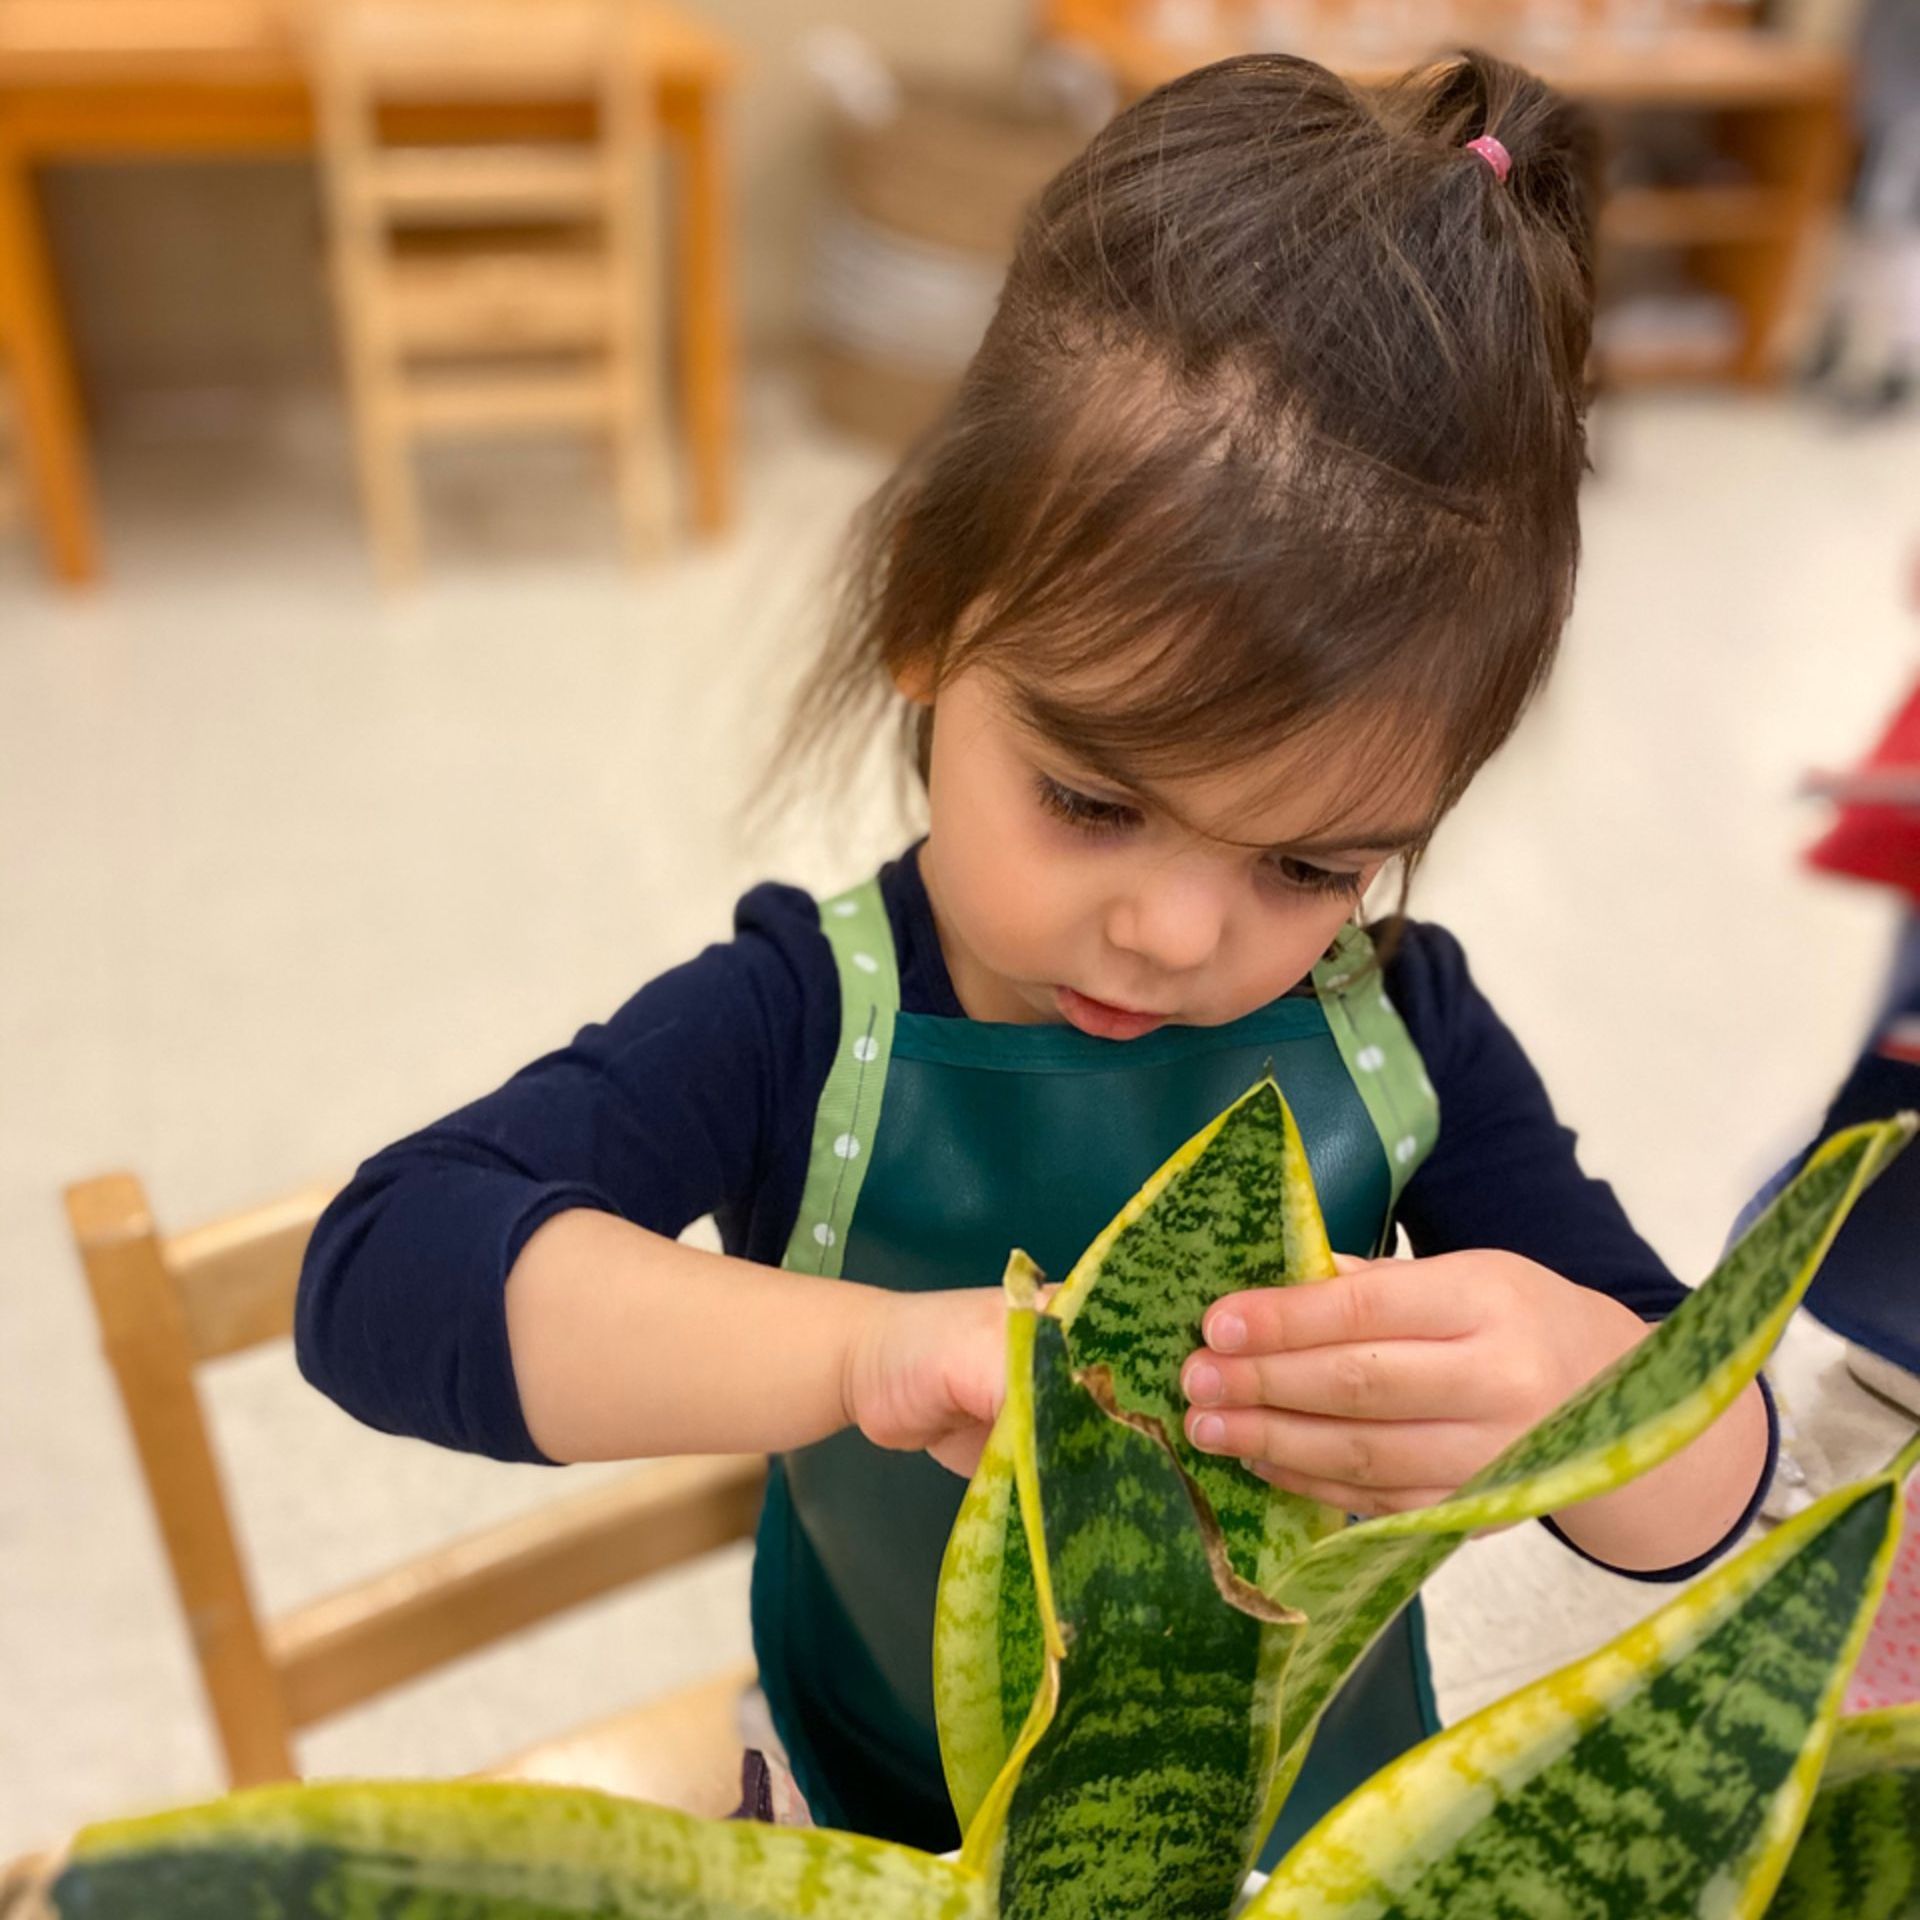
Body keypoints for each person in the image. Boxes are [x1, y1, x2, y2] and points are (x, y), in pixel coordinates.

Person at [296, 49, 1774, 1860]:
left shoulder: (1404, 1033)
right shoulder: (802, 1024)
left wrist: (1593, 1399)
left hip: (1302, 1830)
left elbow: (1723, 1488)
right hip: (888, 1821)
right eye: (1091, 800)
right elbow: (385, 1276)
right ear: (926, 612)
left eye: (1315, 861)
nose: (1171, 932)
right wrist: (855, 1361)